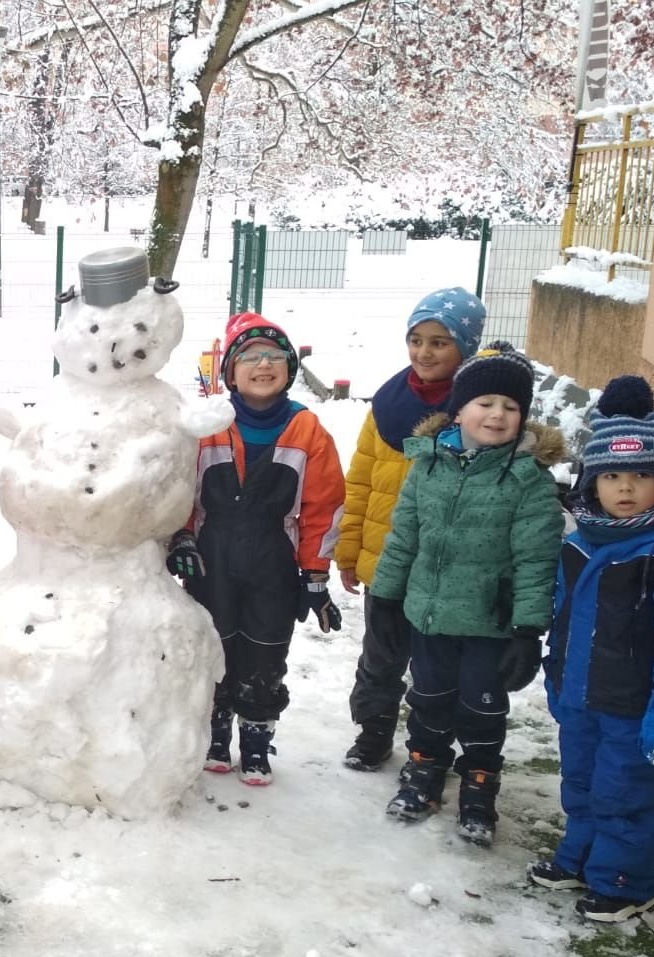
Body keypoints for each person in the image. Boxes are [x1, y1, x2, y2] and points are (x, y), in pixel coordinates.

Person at [531, 376, 654, 921]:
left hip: (636, 705)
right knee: (581, 781)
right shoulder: (579, 542)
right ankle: (583, 856)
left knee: (624, 792)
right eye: (612, 475)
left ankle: (627, 880)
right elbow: (563, 616)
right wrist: (555, 676)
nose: (626, 488)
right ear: (593, 483)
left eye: (641, 475)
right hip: (581, 696)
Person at [369, 344, 564, 844]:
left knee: (482, 708)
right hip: (430, 617)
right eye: (485, 402)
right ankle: (425, 769)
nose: (497, 414)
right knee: (429, 699)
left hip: (489, 623)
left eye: (511, 406)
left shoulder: (527, 479)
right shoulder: (427, 465)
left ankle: (480, 784)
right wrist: (385, 600)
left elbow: (536, 560)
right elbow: (404, 538)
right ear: (458, 410)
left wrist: (527, 629)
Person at [171, 313, 345, 785]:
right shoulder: (207, 426)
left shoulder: (307, 430)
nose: (263, 364)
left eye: (274, 356)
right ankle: (214, 732)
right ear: (230, 372)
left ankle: (255, 738)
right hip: (212, 560)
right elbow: (179, 489)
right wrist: (181, 537)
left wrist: (315, 575)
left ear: (290, 368)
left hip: (274, 562)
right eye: (250, 356)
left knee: (265, 652)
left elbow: (324, 507)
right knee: (215, 645)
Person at [334, 287, 487, 770]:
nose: (424, 352)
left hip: (447, 568)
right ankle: (374, 731)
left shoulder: (481, 410)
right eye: (416, 340)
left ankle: (431, 744)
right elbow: (360, 480)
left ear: (465, 346)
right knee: (381, 657)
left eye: (440, 342)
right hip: (386, 560)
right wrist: (349, 549)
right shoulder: (387, 403)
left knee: (436, 664)